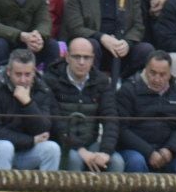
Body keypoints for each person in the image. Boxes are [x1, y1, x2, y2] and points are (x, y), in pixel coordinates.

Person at [62, 0, 152, 80]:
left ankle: (125, 86)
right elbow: (75, 28)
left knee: (146, 50)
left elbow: (138, 27)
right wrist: (102, 38)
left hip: (121, 48)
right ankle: (94, 85)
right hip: (94, 46)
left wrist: (127, 43)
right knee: (91, 45)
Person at [0, 48, 62, 169]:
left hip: (24, 151)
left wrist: (27, 103)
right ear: (8, 71)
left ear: (34, 72)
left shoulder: (42, 90)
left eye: (27, 74)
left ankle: (45, 188)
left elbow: (44, 128)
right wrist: (30, 141)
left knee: (52, 149)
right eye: (18, 74)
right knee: (5, 147)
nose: (23, 80)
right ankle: (1, 188)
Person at [117, 50, 176, 172]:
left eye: (162, 75)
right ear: (145, 69)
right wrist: (149, 152)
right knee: (136, 161)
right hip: (136, 151)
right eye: (153, 73)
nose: (157, 79)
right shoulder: (128, 90)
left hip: (167, 151)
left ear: (170, 73)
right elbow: (122, 130)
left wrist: (170, 149)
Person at [48, 38, 124, 171]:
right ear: (67, 57)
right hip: (62, 145)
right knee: (74, 159)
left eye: (86, 57)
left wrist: (106, 151)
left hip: (92, 143)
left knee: (116, 162)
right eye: (76, 57)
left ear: (93, 59)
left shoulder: (102, 81)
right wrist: (80, 149)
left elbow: (111, 118)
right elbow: (56, 123)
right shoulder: (51, 80)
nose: (81, 62)